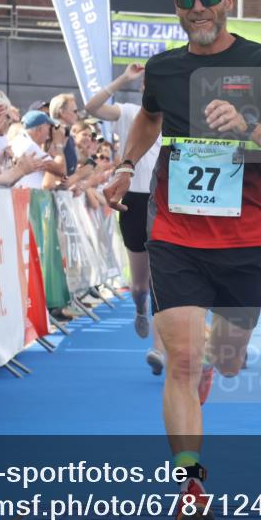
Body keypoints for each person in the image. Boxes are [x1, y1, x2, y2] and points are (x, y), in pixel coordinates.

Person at [103, 0, 261, 520]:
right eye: (184, 0)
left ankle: (229, 348)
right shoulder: (165, 68)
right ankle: (191, 486)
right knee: (183, 361)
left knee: (228, 357)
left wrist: (249, 128)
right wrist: (123, 165)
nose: (196, 8)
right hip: (176, 236)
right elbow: (147, 121)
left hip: (243, 241)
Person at [84, 63, 167, 374]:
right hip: (133, 200)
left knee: (162, 280)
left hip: (164, 203)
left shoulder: (178, 118)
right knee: (140, 284)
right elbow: (91, 107)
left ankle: (158, 349)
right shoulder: (130, 112)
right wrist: (124, 79)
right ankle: (139, 307)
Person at [10, 110, 66, 189]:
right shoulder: (29, 145)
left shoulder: (20, 140)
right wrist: (58, 144)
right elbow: (61, 170)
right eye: (48, 128)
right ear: (40, 129)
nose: (49, 133)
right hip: (28, 196)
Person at [49, 93, 80, 175]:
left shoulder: (68, 134)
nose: (78, 115)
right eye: (75, 111)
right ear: (62, 112)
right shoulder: (52, 132)